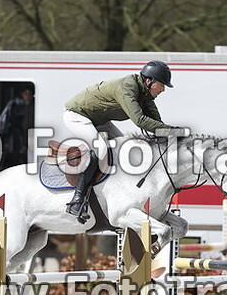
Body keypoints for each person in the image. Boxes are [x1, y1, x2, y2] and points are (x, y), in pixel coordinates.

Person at [62, 60, 180, 223]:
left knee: (125, 148)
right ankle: (77, 200)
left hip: (99, 120)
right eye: (161, 85)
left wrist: (173, 135)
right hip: (77, 115)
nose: (163, 89)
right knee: (101, 149)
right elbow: (140, 120)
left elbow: (157, 124)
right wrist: (173, 131)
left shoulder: (146, 96)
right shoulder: (128, 87)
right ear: (149, 81)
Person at [0, 87, 33, 165]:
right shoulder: (18, 103)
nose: (28, 97)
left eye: (29, 94)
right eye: (26, 94)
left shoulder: (20, 104)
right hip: (11, 132)